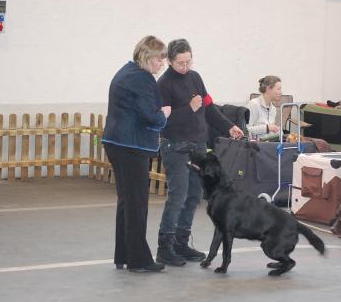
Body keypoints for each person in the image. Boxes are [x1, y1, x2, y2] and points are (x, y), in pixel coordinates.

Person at [156, 38, 244, 266]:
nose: (185, 67)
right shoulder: (164, 84)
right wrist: (188, 109)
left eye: (188, 61)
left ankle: (181, 243)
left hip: (197, 146)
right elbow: (162, 122)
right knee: (178, 196)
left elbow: (209, 108)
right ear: (169, 61)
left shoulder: (195, 78)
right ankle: (164, 247)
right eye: (180, 63)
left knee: (194, 195)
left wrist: (229, 126)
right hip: (175, 146)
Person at [102, 35, 171, 273]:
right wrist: (164, 115)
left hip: (117, 142)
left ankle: (124, 254)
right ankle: (139, 260)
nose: (162, 64)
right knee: (137, 204)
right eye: (160, 59)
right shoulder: (141, 79)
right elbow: (150, 115)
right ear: (148, 57)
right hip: (130, 146)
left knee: (127, 202)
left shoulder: (126, 72)